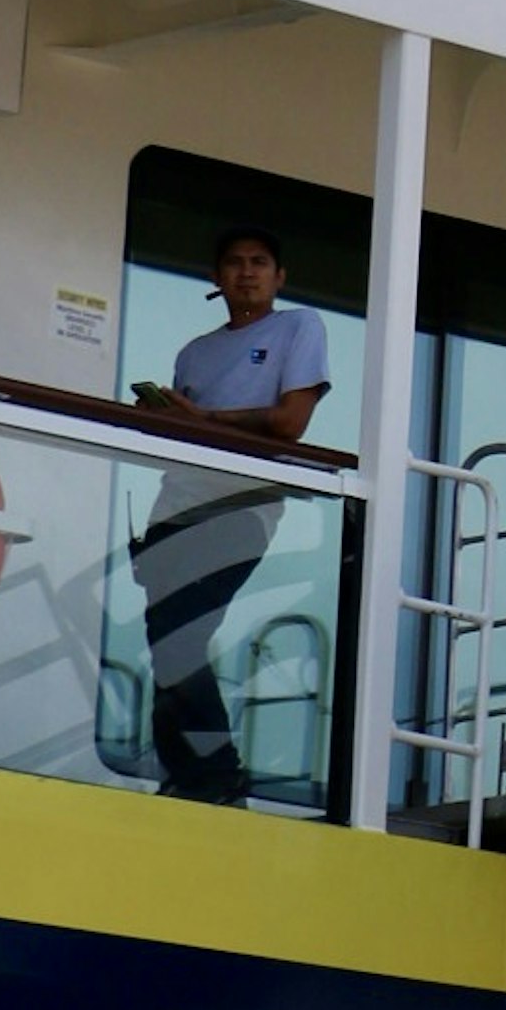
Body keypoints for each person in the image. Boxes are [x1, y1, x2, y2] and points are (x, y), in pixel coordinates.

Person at [127, 221, 331, 802]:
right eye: (236, 262)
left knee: (181, 636)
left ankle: (215, 773)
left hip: (242, 504)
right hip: (176, 505)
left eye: (259, 262)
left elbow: (291, 423)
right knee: (166, 638)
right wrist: (163, 420)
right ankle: (184, 774)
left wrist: (206, 420)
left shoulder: (299, 325)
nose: (247, 271)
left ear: (279, 276)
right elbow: (185, 434)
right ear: (217, 278)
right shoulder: (194, 351)